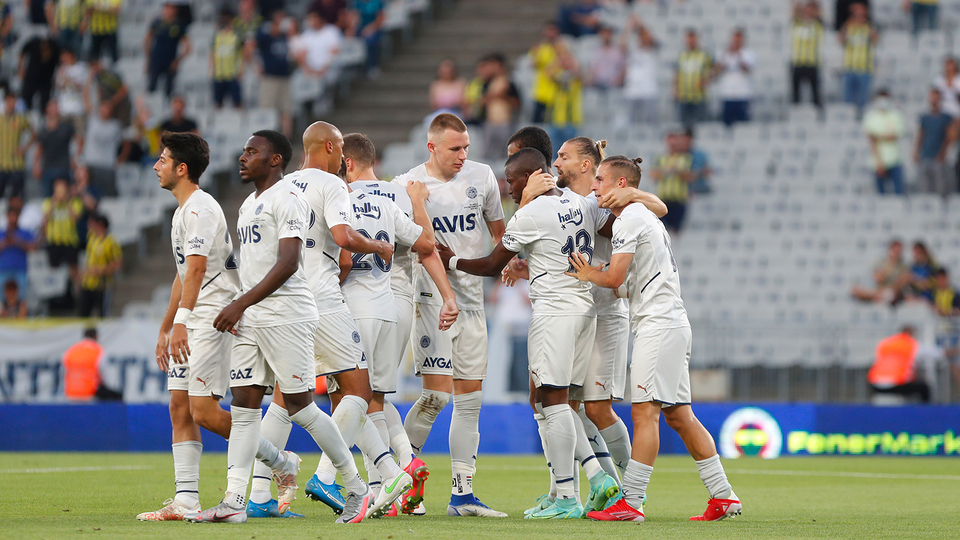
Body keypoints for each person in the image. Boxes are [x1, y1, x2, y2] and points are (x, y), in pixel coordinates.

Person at [184, 130, 372, 524]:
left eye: (251, 151)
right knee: (244, 406)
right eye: (243, 150)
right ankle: (234, 501)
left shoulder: (288, 197)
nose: (242, 157)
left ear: (274, 160)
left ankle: (357, 488)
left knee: (301, 407)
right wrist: (240, 304)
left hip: (288, 314)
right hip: (252, 317)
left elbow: (288, 263)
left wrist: (239, 303)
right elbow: (253, 265)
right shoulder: (248, 204)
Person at [437, 148, 620, 519]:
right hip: (585, 310)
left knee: (552, 401)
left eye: (512, 180)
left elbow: (492, 264)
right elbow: (609, 228)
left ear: (531, 176)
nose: (509, 188)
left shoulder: (530, 213)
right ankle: (592, 481)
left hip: (554, 313)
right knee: (562, 401)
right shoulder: (578, 201)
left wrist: (450, 260)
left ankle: (569, 495)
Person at [138, 131, 305, 521]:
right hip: (191, 318)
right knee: (179, 406)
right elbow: (183, 273)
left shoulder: (201, 209)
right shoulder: (182, 211)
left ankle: (281, 462)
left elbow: (197, 270)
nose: (156, 166)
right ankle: (185, 499)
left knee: (204, 412)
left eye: (163, 160)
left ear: (182, 168)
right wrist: (167, 326)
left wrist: (182, 323)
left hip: (213, 318)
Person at [567, 155, 742, 523]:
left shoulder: (630, 218)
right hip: (669, 322)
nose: (594, 186)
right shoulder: (643, 214)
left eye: (600, 179)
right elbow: (628, 282)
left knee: (645, 413)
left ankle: (631, 502)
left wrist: (587, 273)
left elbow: (615, 279)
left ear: (620, 185)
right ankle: (723, 496)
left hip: (659, 325)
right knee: (680, 415)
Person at [512, 138, 667, 517]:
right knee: (553, 400)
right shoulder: (569, 202)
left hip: (604, 310)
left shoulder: (604, 204)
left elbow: (658, 209)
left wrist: (632, 192)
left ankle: (627, 490)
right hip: (575, 311)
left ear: (585, 165)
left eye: (563, 157)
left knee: (593, 408)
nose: (556, 164)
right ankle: (569, 490)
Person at [278, 122, 412, 520]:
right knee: (360, 390)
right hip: (323, 298)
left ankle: (388, 474)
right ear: (330, 147)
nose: (342, 160)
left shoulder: (284, 186)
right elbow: (343, 240)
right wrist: (378, 245)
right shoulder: (332, 184)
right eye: (339, 150)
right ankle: (332, 477)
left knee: (292, 398)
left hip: (288, 300)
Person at [392, 113, 508, 518]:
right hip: (430, 300)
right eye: (455, 148)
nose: (463, 155)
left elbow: (499, 233)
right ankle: (401, 482)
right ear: (432, 147)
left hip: (472, 300)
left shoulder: (482, 176)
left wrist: (509, 260)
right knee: (435, 396)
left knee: (470, 401)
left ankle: (462, 495)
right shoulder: (407, 186)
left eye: (466, 148)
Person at [338, 132, 460, 516]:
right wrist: (448, 296)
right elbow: (426, 246)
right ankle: (398, 473)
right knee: (375, 394)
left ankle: (387, 477)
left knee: (356, 395)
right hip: (402, 299)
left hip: (359, 297)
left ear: (347, 163)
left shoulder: (340, 196)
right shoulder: (400, 194)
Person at [254, 9, 295, 137]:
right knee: (267, 109)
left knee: (286, 109)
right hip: (270, 78)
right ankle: (266, 138)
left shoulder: (285, 37)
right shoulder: (265, 37)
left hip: (285, 77)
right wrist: (256, 65)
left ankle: (286, 137)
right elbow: (250, 47)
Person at [477, 53, 521, 161]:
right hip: (490, 122)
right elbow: (482, 102)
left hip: (505, 122)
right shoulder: (486, 84)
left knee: (505, 154)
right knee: (486, 155)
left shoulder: (509, 83)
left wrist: (504, 97)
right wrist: (492, 95)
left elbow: (517, 104)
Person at [867, 326, 931, 402]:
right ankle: (925, 409)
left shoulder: (886, 343)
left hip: (875, 384)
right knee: (924, 388)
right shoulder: (913, 344)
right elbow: (935, 353)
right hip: (898, 384)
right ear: (912, 333)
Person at [144, 1, 191, 98]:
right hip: (156, 59)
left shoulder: (179, 25)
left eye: (171, 8)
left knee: (169, 89)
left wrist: (178, 61)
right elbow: (147, 40)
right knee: (151, 86)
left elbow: (187, 47)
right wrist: (148, 58)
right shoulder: (157, 23)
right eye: (167, 8)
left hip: (170, 61)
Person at [41, 177, 82, 285]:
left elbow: (75, 218)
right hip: (54, 241)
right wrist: (54, 202)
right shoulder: (48, 202)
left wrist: (66, 202)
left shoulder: (75, 202)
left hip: (70, 240)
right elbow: (45, 219)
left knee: (74, 268)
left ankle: (77, 290)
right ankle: (55, 291)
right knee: (53, 270)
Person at [862, 89, 905, 195]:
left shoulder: (896, 115)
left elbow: (895, 136)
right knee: (881, 196)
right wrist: (879, 163)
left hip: (895, 160)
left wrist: (878, 137)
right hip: (877, 163)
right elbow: (872, 141)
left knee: (899, 194)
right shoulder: (871, 117)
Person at [78, 213, 121, 317]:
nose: (89, 226)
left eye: (92, 223)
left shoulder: (111, 242)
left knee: (102, 315)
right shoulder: (92, 238)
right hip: (87, 284)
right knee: (83, 315)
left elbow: (117, 265)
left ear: (100, 224)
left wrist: (99, 270)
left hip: (102, 286)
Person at [651, 131, 694, 234]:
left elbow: (690, 176)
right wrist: (665, 171)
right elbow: (653, 175)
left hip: (679, 199)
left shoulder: (685, 158)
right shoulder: (661, 158)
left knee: (676, 230)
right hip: (663, 199)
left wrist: (677, 171)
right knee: (662, 230)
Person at [621, 15, 660, 126]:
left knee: (651, 124)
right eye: (640, 36)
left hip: (649, 91)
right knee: (632, 124)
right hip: (633, 91)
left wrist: (640, 24)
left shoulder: (653, 51)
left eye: (643, 36)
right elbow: (622, 45)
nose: (643, 38)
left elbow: (652, 39)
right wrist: (629, 27)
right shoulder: (633, 51)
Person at [840, 2, 878, 114]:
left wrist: (867, 23)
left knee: (863, 101)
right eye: (856, 14)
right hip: (850, 68)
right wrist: (850, 21)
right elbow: (841, 40)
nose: (858, 16)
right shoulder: (848, 27)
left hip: (864, 69)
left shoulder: (868, 28)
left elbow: (876, 39)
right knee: (848, 101)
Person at [34, 101, 78, 197]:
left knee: (64, 196)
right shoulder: (43, 130)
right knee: (48, 198)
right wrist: (36, 165)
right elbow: (39, 149)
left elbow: (79, 141)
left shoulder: (66, 127)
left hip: (63, 167)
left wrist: (76, 158)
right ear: (47, 110)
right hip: (48, 168)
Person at [914, 88, 952, 197]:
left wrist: (943, 152)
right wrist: (916, 151)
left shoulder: (946, 117)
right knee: (925, 188)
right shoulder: (925, 117)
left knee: (940, 188)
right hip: (925, 155)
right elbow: (921, 135)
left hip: (938, 157)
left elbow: (949, 137)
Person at [82, 101, 124, 197]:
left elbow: (125, 142)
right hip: (91, 164)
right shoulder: (92, 121)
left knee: (110, 195)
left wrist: (121, 158)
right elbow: (87, 103)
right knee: (91, 195)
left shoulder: (115, 125)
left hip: (107, 165)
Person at [714, 28, 755, 127]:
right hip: (727, 94)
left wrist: (738, 55)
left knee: (743, 126)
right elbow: (717, 70)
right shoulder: (724, 53)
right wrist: (725, 56)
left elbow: (747, 69)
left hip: (742, 94)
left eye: (738, 39)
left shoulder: (748, 53)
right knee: (726, 125)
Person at [674, 29, 712, 128]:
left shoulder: (704, 55)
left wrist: (707, 79)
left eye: (692, 38)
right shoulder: (682, 55)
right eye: (689, 38)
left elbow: (714, 69)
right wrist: (675, 89)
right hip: (684, 96)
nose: (690, 41)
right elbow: (677, 73)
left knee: (700, 127)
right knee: (683, 127)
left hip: (699, 97)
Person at [0, 92, 35, 200]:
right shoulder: (1, 119)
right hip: (1, 164)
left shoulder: (20, 119)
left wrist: (25, 148)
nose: (12, 104)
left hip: (16, 164)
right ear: (5, 101)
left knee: (18, 197)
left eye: (14, 101)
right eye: (10, 101)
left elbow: (34, 133)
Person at [852, 239, 908, 304]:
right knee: (855, 289)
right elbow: (878, 278)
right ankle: (876, 296)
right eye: (895, 251)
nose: (897, 253)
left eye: (898, 251)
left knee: (889, 294)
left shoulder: (903, 267)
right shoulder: (882, 262)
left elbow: (899, 286)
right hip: (878, 290)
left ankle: (875, 297)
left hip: (891, 292)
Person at [791, 1, 824, 110]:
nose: (808, 12)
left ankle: (817, 113)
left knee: (815, 93)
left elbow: (820, 14)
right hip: (798, 62)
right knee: (796, 94)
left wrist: (814, 6)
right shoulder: (797, 23)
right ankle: (796, 113)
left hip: (812, 62)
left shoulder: (817, 25)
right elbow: (794, 9)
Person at [292, 10, 342, 79]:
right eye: (309, 18)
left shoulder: (332, 31)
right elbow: (301, 54)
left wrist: (323, 69)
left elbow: (335, 53)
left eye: (313, 18)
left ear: (320, 18)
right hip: (309, 71)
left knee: (319, 81)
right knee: (297, 78)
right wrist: (308, 70)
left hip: (329, 70)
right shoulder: (307, 34)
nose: (311, 21)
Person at [530, 22, 563, 124]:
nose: (551, 33)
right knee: (538, 121)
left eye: (553, 30)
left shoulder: (562, 47)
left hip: (557, 90)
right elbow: (534, 65)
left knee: (553, 121)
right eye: (549, 30)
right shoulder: (540, 47)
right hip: (541, 90)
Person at [18, 34, 61, 112]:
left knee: (45, 101)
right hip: (31, 77)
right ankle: (25, 114)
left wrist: (55, 79)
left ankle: (44, 115)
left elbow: (58, 64)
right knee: (25, 98)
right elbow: (23, 51)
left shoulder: (55, 47)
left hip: (46, 79)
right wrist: (21, 67)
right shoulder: (34, 43)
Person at [0, 207, 37, 297]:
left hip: (20, 270)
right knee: (2, 298)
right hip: (3, 270)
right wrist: (5, 243)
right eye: (11, 216)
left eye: (15, 216)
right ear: (7, 217)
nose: (13, 219)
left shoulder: (25, 233)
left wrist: (17, 242)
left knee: (21, 296)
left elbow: (34, 247)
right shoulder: (2, 233)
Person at [212, 9, 244, 109]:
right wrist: (212, 70)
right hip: (219, 74)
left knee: (237, 102)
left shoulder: (236, 37)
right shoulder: (217, 36)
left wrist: (241, 69)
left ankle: (240, 118)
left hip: (232, 74)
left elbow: (241, 54)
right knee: (218, 103)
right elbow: (212, 54)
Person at [54, 47, 89, 136]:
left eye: (65, 56)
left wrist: (67, 80)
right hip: (64, 109)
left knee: (80, 135)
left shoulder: (81, 68)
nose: (63, 58)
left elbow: (80, 87)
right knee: (63, 136)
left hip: (78, 109)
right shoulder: (61, 69)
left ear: (71, 55)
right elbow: (59, 87)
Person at [346, 0, 384, 77]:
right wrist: (351, 29)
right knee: (349, 40)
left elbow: (380, 18)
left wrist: (371, 28)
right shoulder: (357, 3)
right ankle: (354, 67)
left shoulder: (377, 2)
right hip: (360, 29)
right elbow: (352, 17)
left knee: (370, 41)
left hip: (374, 28)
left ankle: (372, 66)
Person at [63, 328, 103, 400]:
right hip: (90, 393)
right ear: (95, 336)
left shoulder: (72, 350)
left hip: (71, 392)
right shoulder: (98, 350)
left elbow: (64, 370)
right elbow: (103, 372)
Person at [586, 26, 624, 91]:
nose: (605, 36)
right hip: (598, 85)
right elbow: (591, 70)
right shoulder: (595, 51)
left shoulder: (617, 51)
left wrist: (618, 81)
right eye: (603, 33)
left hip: (613, 85)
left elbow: (622, 68)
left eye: (607, 33)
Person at [86, 0, 122, 64]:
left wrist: (99, 7)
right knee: (95, 54)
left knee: (113, 52)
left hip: (110, 29)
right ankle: (95, 68)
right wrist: (107, 8)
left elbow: (116, 10)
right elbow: (89, 8)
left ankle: (114, 66)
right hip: (96, 29)